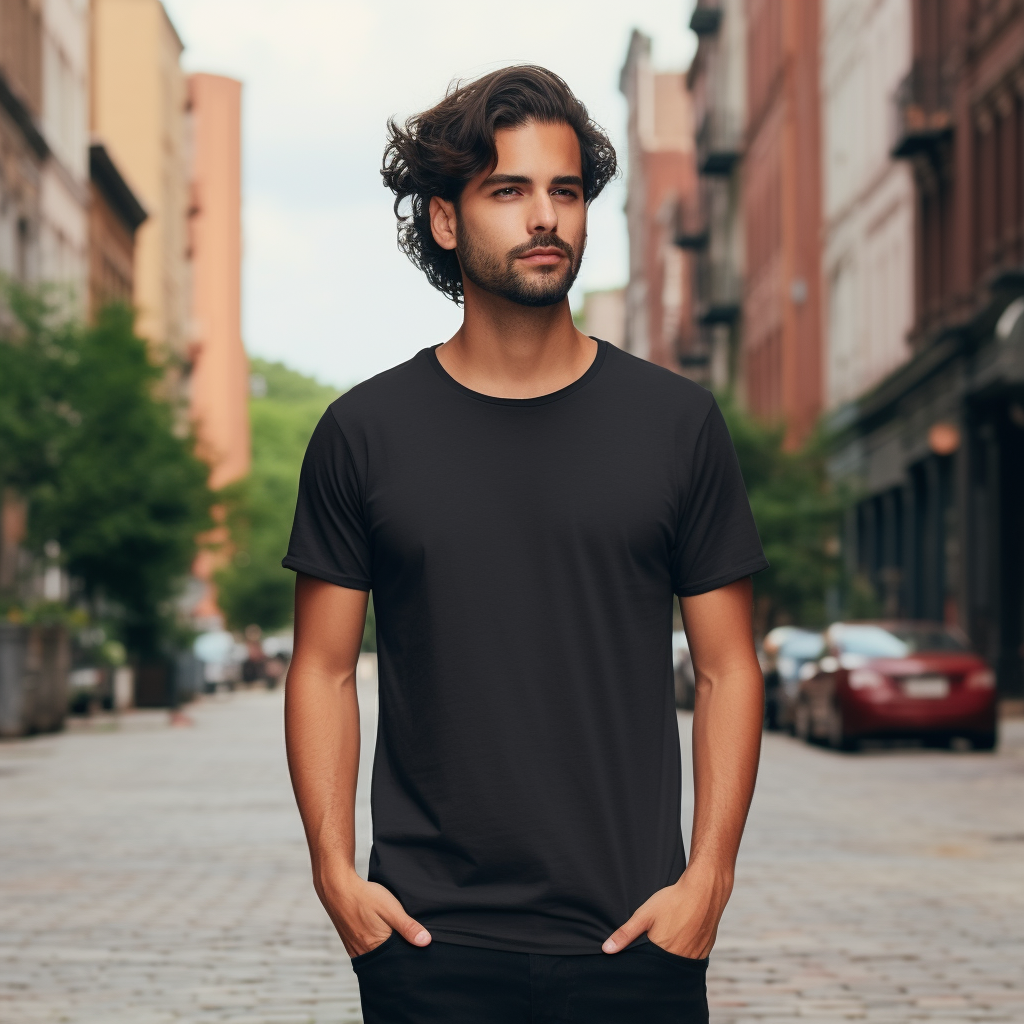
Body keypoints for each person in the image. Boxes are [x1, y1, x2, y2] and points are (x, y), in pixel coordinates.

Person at [283, 65, 767, 1024]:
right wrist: (336, 875)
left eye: (567, 191)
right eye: (509, 190)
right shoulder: (363, 431)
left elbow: (728, 670)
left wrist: (706, 882)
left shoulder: (677, 423)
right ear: (447, 220)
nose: (546, 216)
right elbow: (323, 670)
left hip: (635, 938)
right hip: (428, 945)